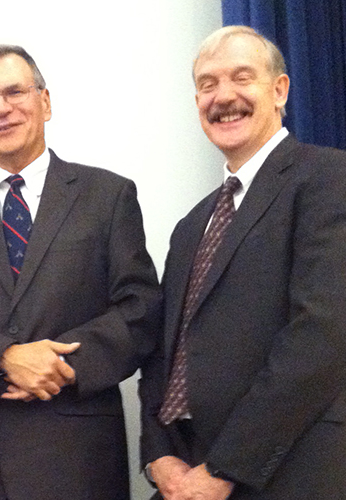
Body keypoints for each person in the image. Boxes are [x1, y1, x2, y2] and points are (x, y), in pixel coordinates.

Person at [0, 44, 161, 499]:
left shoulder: (107, 196)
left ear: (46, 101)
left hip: (77, 459)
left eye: (14, 92)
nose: (1, 109)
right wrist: (2, 357)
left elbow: (139, 311)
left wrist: (63, 365)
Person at [139, 26, 346, 500]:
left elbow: (322, 335)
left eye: (241, 78)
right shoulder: (192, 224)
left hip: (288, 471)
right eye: (208, 84)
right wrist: (159, 456)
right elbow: (162, 352)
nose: (223, 96)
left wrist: (225, 467)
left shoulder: (330, 179)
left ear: (279, 90)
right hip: (185, 476)